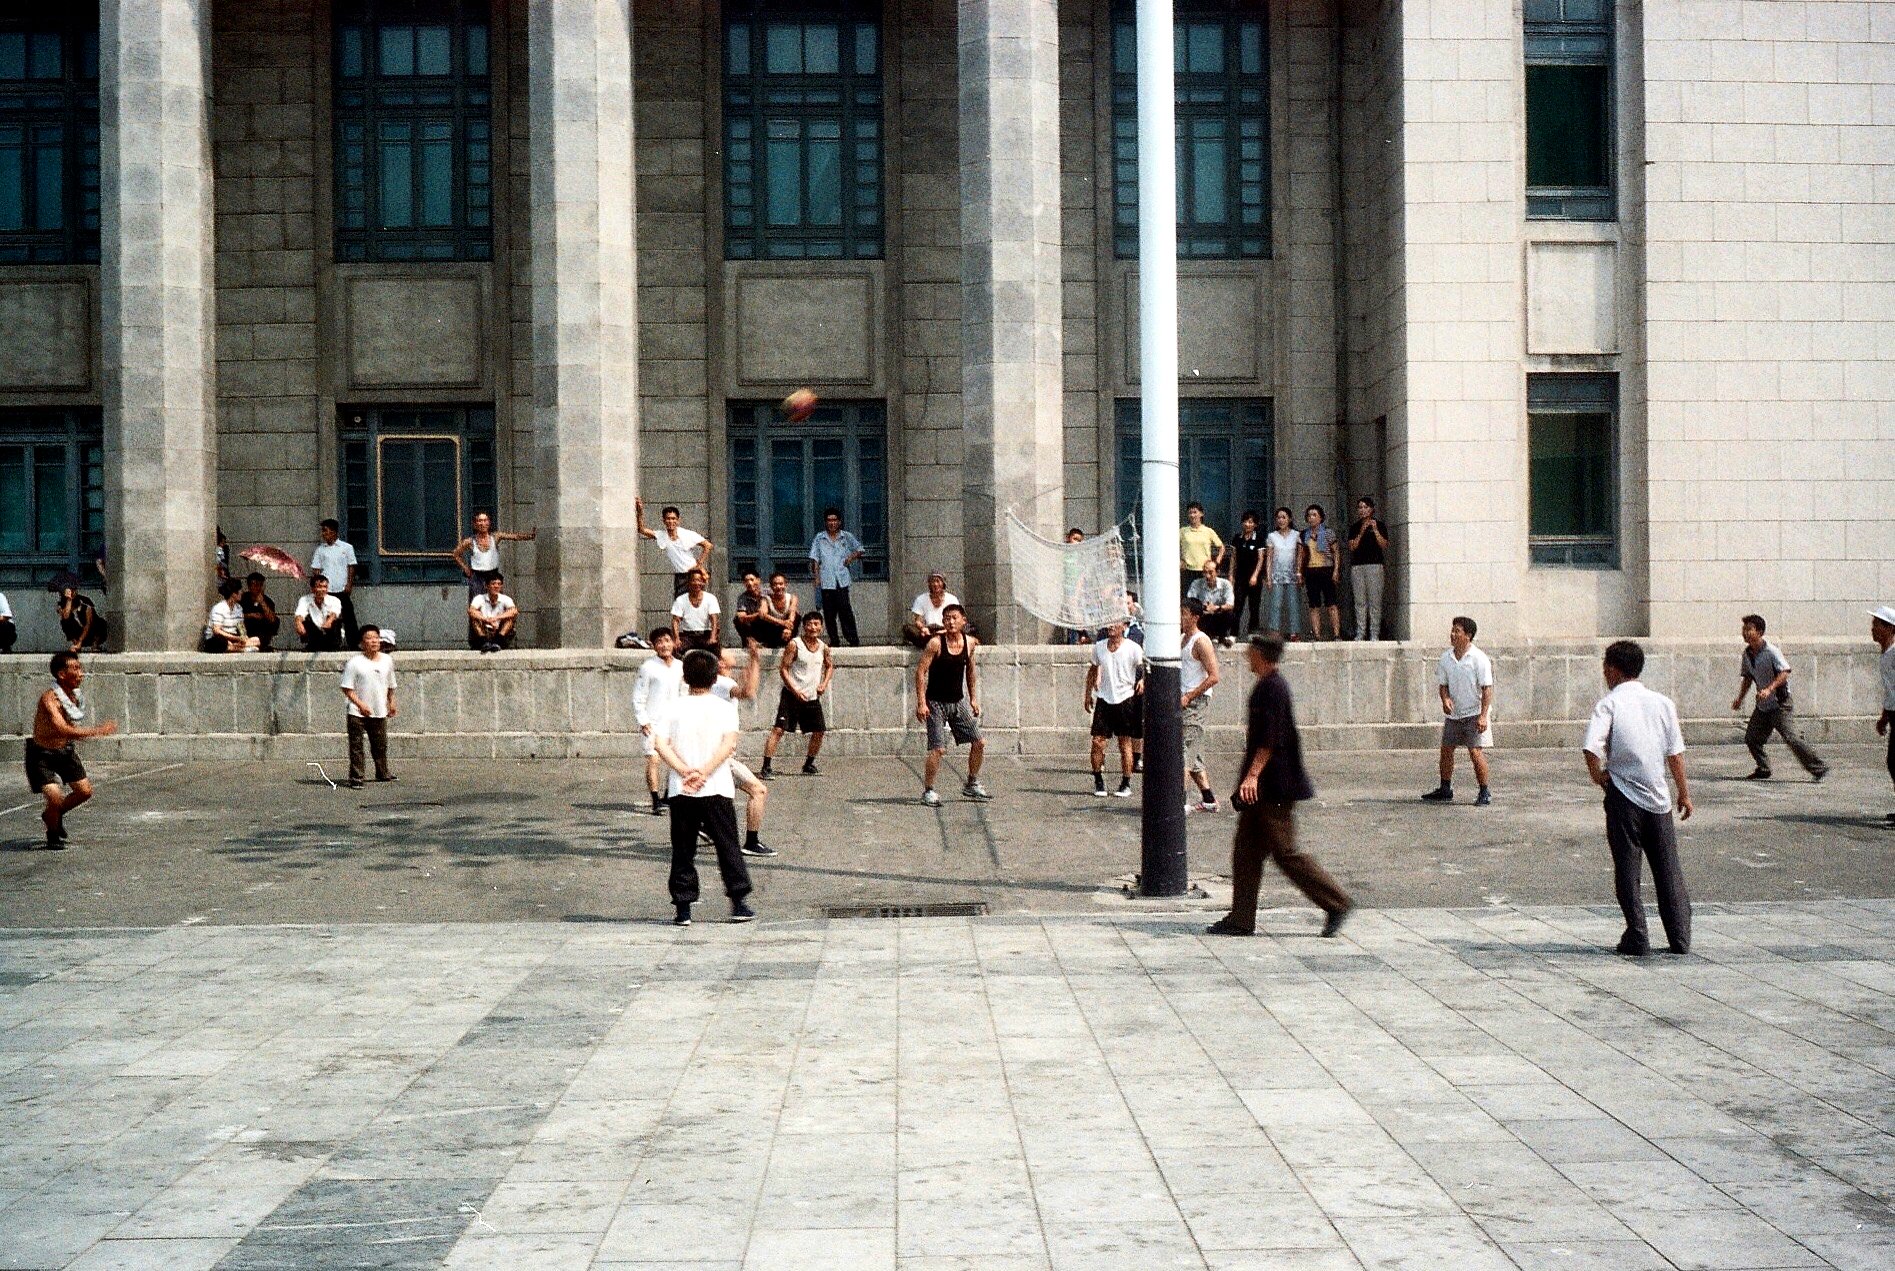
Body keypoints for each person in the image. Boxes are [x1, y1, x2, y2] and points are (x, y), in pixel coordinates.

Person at [1207, 634, 1352, 938]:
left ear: (1261, 653)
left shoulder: (1273, 688)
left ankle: (1336, 903)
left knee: (1285, 852)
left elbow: (1270, 738)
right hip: (1260, 788)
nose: (1246, 654)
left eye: (1251, 649)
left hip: (1275, 787)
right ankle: (1241, 918)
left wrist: (1252, 776)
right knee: (1246, 852)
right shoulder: (1266, 685)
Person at [1583, 640, 1693, 956]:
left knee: (1628, 869)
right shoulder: (1663, 703)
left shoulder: (1609, 704)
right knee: (1668, 868)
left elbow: (1591, 747)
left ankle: (1638, 934)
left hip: (1624, 796)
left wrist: (1598, 775)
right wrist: (1684, 793)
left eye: (1606, 667)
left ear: (1613, 669)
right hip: (1659, 797)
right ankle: (1680, 937)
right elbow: (1675, 754)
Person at [651, 648, 756, 926]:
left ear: (685, 677)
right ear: (714, 678)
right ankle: (738, 902)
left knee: (683, 849)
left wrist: (684, 771)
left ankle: (683, 908)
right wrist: (705, 772)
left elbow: (660, 744)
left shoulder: (671, 707)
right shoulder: (724, 708)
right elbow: (729, 744)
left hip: (681, 789)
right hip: (717, 786)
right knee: (727, 845)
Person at [27, 652, 119, 850]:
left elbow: (69, 728)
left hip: (65, 751)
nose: (81, 674)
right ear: (62, 674)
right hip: (42, 754)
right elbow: (62, 728)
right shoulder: (50, 699)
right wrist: (97, 731)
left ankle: (53, 814)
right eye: (76, 669)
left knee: (84, 792)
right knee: (54, 796)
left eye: (80, 668)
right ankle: (52, 833)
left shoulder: (73, 696)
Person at [1731, 614, 1827, 782]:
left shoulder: (1771, 651)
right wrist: (1740, 698)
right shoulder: (1747, 654)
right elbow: (1748, 678)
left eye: (1749, 629)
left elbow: (1785, 672)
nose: (1745, 633)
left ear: (1760, 632)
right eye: (1744, 629)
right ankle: (1763, 768)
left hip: (1780, 704)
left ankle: (1818, 768)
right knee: (1752, 738)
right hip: (1763, 706)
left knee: (1792, 738)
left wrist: (1769, 689)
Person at [914, 604, 989, 805]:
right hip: (935, 703)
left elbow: (970, 671)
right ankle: (928, 790)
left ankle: (971, 783)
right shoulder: (936, 644)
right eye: (947, 618)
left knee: (979, 742)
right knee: (938, 749)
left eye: (955, 618)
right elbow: (920, 672)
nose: (951, 622)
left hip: (957, 701)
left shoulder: (969, 643)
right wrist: (921, 703)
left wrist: (973, 698)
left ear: (964, 621)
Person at [712, 642, 780, 858]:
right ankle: (751, 842)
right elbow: (749, 691)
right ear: (720, 662)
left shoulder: (716, 682)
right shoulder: (723, 682)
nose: (732, 654)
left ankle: (705, 825)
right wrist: (755, 659)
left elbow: (745, 686)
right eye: (727, 653)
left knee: (719, 797)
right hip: (721, 756)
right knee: (758, 791)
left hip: (717, 753)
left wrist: (752, 662)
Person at [1422, 616, 1495, 805]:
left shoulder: (1479, 658)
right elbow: (1443, 685)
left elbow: (1487, 689)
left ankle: (1484, 791)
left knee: (1475, 752)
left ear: (1468, 636)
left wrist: (1483, 716)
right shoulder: (1446, 658)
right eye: (1452, 630)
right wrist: (1445, 699)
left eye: (1457, 631)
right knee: (1446, 750)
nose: (1453, 634)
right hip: (1455, 714)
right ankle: (1445, 788)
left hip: (1474, 713)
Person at [763, 612, 832, 779]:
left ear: (821, 627)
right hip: (791, 695)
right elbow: (783, 669)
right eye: (810, 624)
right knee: (779, 729)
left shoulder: (823, 647)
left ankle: (809, 763)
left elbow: (829, 666)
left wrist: (824, 683)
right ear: (804, 626)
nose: (813, 628)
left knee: (819, 731)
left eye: (816, 624)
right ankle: (766, 766)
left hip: (811, 696)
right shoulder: (795, 645)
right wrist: (794, 690)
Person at [1085, 622, 1145, 797]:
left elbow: (1144, 668)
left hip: (1125, 698)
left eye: (1115, 623)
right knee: (1097, 741)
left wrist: (1142, 681)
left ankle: (1126, 782)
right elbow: (1092, 670)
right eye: (1109, 624)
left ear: (1123, 627)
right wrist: (1088, 694)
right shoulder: (1099, 647)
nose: (1111, 626)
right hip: (1104, 698)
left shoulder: (1133, 648)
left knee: (1124, 743)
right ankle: (1098, 780)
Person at [632, 627, 684, 815]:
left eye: (667, 640)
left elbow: (685, 692)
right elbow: (638, 696)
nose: (664, 645)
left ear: (673, 643)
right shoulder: (648, 667)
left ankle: (669, 796)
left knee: (676, 759)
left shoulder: (680, 666)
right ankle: (656, 800)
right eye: (659, 642)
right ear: (654, 646)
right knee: (654, 759)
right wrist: (643, 720)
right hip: (654, 722)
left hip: (675, 722)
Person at [339, 624, 397, 789]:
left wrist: (391, 701)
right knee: (356, 746)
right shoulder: (354, 663)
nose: (374, 641)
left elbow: (391, 684)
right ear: (361, 643)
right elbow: (347, 688)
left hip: (379, 709)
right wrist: (360, 704)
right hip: (357, 711)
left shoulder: (387, 660)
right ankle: (357, 777)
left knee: (380, 745)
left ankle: (382, 772)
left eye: (376, 638)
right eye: (369, 638)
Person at [1180, 600, 1222, 813]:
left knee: (1183, 752)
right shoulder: (1181, 639)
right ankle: (1209, 799)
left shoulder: (1201, 641)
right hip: (1182, 701)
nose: (1180, 617)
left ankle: (1179, 802)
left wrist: (1190, 695)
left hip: (1195, 702)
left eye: (1184, 613)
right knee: (1193, 753)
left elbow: (1214, 676)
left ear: (1195, 617)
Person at [809, 508, 865, 647]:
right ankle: (834, 640)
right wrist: (816, 577)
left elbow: (860, 549)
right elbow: (815, 558)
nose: (832, 523)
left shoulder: (846, 536)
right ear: (825, 522)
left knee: (845, 610)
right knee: (829, 613)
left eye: (834, 520)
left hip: (841, 580)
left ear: (839, 522)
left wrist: (850, 558)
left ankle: (853, 639)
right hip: (826, 580)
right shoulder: (820, 538)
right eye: (829, 520)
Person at [635, 496, 713, 596]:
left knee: (695, 601)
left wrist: (699, 564)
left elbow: (708, 545)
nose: (671, 521)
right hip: (680, 576)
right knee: (679, 602)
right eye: (668, 519)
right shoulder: (662, 535)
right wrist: (640, 511)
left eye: (673, 518)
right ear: (664, 521)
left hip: (693, 574)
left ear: (678, 520)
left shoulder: (687, 534)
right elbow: (642, 530)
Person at [452, 511, 535, 595]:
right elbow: (456, 554)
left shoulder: (495, 537)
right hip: (477, 577)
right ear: (475, 524)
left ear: (489, 523)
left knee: (495, 600)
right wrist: (465, 568)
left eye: (485, 520)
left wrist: (530, 536)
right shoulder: (469, 541)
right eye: (480, 521)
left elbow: (514, 536)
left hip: (493, 576)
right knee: (478, 601)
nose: (482, 523)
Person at [310, 519, 360, 647]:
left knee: (348, 616)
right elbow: (316, 569)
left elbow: (351, 566)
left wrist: (349, 584)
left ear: (333, 532)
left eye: (325, 531)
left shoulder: (346, 548)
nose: (323, 534)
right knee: (327, 616)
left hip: (341, 588)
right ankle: (330, 644)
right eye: (323, 531)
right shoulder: (320, 550)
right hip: (327, 590)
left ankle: (353, 644)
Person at [1347, 497, 1388, 640]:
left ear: (1372, 509)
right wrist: (1362, 531)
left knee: (1375, 601)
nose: (1363, 510)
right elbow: (1352, 546)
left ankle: (1374, 633)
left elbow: (1384, 545)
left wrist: (1375, 529)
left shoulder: (1380, 525)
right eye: (1360, 507)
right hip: (1358, 566)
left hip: (1375, 565)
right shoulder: (1355, 527)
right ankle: (1360, 632)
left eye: (1365, 507)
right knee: (1360, 601)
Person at [1301, 505, 1341, 640]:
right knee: (1314, 605)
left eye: (1314, 515)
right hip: (1311, 570)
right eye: (1309, 515)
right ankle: (1316, 634)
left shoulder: (1328, 532)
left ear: (1321, 517)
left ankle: (1336, 634)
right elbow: (1301, 554)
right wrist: (1300, 572)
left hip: (1326, 569)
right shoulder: (1304, 534)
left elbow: (1336, 552)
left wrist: (1336, 570)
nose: (1311, 518)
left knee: (1331, 603)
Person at [1872, 605, 1895, 826]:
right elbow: (1890, 691)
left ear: (1890, 628)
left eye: (1877, 625)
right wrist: (1884, 718)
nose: (1872, 629)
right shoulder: (1886, 654)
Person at [1264, 508, 1302, 639]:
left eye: (1284, 517)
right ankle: (1274, 632)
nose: (1281, 520)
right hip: (1276, 575)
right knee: (1276, 605)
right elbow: (1269, 558)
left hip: (1292, 575)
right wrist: (1268, 577)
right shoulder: (1272, 536)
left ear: (1289, 519)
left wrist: (1299, 572)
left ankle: (1294, 632)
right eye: (1279, 518)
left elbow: (1300, 555)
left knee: (1293, 604)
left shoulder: (1296, 535)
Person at [1179, 502, 1225, 603]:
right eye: (1190, 513)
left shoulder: (1208, 531)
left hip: (1204, 571)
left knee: (1205, 599)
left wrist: (1217, 562)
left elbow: (1221, 547)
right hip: (1188, 570)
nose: (1192, 515)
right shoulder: (1182, 531)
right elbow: (1173, 547)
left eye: (1195, 512)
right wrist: (1180, 560)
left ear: (1201, 514)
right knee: (1188, 600)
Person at [1229, 511, 1266, 636]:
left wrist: (1255, 576)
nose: (1247, 524)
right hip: (1240, 577)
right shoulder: (1237, 538)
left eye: (1250, 522)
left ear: (1255, 524)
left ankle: (1252, 634)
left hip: (1254, 578)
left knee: (1254, 607)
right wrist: (1231, 575)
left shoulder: (1259, 538)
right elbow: (1233, 558)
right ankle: (1234, 634)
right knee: (1237, 606)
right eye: (1245, 521)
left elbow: (1261, 559)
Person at [1187, 560, 1237, 646]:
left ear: (1217, 572)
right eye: (1205, 572)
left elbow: (1230, 604)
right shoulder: (1196, 583)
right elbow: (1190, 601)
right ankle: (1208, 636)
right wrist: (1203, 608)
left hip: (1218, 615)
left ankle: (1222, 636)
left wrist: (1216, 608)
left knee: (1229, 614)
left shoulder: (1226, 584)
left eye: (1210, 572)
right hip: (1203, 616)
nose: (1207, 576)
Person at [905, 571, 961, 648]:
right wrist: (923, 628)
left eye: (938, 581)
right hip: (928, 631)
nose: (935, 584)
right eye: (933, 581)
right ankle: (934, 642)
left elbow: (957, 620)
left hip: (946, 630)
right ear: (929, 584)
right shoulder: (921, 599)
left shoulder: (952, 599)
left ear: (943, 583)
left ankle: (934, 642)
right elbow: (918, 620)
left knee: (965, 629)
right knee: (907, 628)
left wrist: (945, 630)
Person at [670, 568, 721, 651]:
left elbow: (714, 620)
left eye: (699, 580)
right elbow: (675, 621)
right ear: (688, 582)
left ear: (703, 582)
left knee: (715, 649)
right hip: (687, 636)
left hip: (705, 635)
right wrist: (676, 639)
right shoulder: (680, 599)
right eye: (693, 580)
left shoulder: (711, 598)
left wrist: (713, 637)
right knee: (675, 650)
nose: (696, 583)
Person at [467, 574, 519, 652]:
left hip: (499, 630)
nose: (496, 586)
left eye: (499, 584)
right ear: (486, 586)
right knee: (475, 617)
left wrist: (496, 618)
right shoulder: (479, 598)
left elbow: (514, 611)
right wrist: (486, 620)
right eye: (493, 584)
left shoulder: (506, 599)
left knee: (510, 618)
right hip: (485, 628)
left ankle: (498, 641)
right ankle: (484, 642)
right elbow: (471, 611)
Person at [294, 574, 345, 651]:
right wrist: (298, 623)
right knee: (303, 620)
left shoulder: (334, 600)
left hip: (330, 633)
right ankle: (312, 644)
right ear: (312, 589)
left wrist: (329, 622)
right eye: (319, 587)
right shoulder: (304, 600)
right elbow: (300, 613)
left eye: (325, 587)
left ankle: (333, 646)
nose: (322, 590)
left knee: (335, 621)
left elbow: (334, 613)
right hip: (315, 632)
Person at [202, 578, 255, 653]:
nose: (242, 593)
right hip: (218, 638)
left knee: (257, 639)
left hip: (232, 637)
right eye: (240, 591)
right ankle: (238, 648)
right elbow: (216, 631)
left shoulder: (239, 608)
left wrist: (244, 637)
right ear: (233, 594)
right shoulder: (219, 608)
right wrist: (236, 638)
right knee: (219, 642)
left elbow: (241, 626)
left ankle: (234, 646)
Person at [730, 570, 775, 648]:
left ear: (758, 580)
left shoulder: (769, 593)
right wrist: (758, 614)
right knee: (737, 619)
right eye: (746, 581)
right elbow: (741, 617)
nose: (750, 583)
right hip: (753, 625)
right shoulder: (742, 598)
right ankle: (749, 641)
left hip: (769, 623)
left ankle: (771, 642)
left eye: (752, 579)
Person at [57, 586, 107, 652]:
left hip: (90, 632)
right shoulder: (61, 604)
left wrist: (80, 640)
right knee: (64, 622)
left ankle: (95, 644)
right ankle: (76, 644)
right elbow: (65, 617)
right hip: (78, 631)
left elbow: (88, 624)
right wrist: (69, 600)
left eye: (73, 590)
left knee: (101, 623)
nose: (72, 592)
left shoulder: (85, 602)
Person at [241, 573, 280, 652]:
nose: (258, 588)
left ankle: (258, 644)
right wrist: (251, 615)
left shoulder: (268, 601)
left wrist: (262, 602)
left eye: (260, 585)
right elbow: (235, 616)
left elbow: (272, 619)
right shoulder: (242, 599)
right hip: (246, 629)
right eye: (255, 585)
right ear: (249, 587)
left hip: (261, 632)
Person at [0, 588, 15, 653]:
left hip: (4, 626)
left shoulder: (0, 597)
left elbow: (6, 616)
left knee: (6, 625)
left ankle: (6, 646)